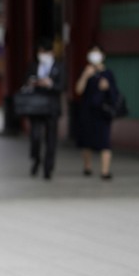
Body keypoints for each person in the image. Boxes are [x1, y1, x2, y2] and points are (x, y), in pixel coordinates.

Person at [74, 46, 118, 179]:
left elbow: (115, 94)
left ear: (102, 55)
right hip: (87, 110)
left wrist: (108, 87)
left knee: (105, 141)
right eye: (92, 52)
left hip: (103, 111)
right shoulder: (86, 71)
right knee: (87, 140)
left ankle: (105, 171)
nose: (94, 55)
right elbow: (78, 90)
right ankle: (87, 167)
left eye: (97, 52)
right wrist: (85, 76)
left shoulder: (108, 73)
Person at [25, 41, 65, 180]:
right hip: (35, 106)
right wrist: (33, 83)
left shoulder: (59, 67)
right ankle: (36, 159)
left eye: (45, 52)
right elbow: (26, 82)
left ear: (51, 53)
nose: (42, 55)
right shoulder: (34, 66)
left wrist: (50, 84)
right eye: (40, 52)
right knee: (35, 136)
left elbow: (62, 86)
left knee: (51, 139)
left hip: (52, 107)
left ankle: (48, 167)